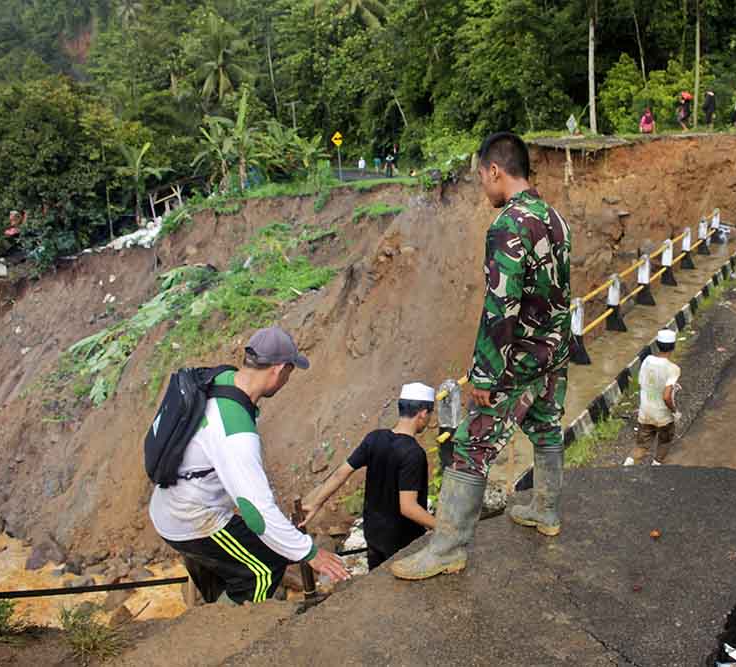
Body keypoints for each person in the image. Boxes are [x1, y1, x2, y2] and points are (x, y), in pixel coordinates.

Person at [391, 132, 571, 581]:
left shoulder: (509, 225)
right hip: (554, 349)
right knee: (546, 424)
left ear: (495, 171)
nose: (482, 188)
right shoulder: (554, 218)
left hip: (518, 358)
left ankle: (448, 547)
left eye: (481, 178)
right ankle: (546, 510)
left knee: (470, 446)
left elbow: (501, 305)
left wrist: (485, 375)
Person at [148, 327, 350, 605]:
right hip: (189, 518)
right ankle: (239, 636)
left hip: (171, 503)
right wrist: (311, 554)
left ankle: (214, 614)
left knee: (237, 567)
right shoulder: (235, 433)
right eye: (290, 372)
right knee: (264, 569)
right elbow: (257, 514)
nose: (287, 379)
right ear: (279, 370)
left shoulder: (219, 378)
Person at [301, 383, 437, 570]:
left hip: (373, 532)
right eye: (430, 414)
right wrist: (442, 527)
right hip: (402, 539)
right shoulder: (413, 453)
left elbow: (341, 473)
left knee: (377, 582)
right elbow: (408, 507)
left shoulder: (374, 438)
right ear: (422, 413)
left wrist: (316, 503)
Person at [624, 330, 680, 467]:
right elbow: (666, 396)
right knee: (664, 441)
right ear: (673, 346)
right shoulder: (673, 369)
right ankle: (656, 467)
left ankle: (626, 466)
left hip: (645, 412)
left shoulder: (647, 361)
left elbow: (642, 382)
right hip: (663, 417)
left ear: (657, 344)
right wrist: (674, 411)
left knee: (642, 445)